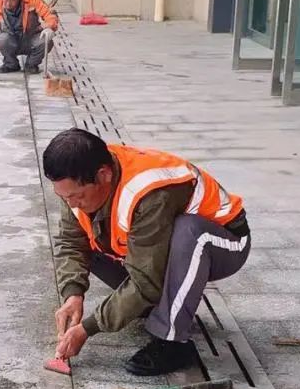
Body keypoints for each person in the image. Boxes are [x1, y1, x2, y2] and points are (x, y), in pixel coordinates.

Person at [44, 129, 251, 376]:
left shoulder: (150, 193)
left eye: (76, 196)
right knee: (93, 242)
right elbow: (71, 242)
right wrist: (73, 294)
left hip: (224, 243)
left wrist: (89, 327)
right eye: (63, 196)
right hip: (163, 246)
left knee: (189, 231)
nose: (70, 204)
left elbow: (146, 280)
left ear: (103, 175)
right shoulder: (77, 179)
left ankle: (173, 342)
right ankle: (150, 305)